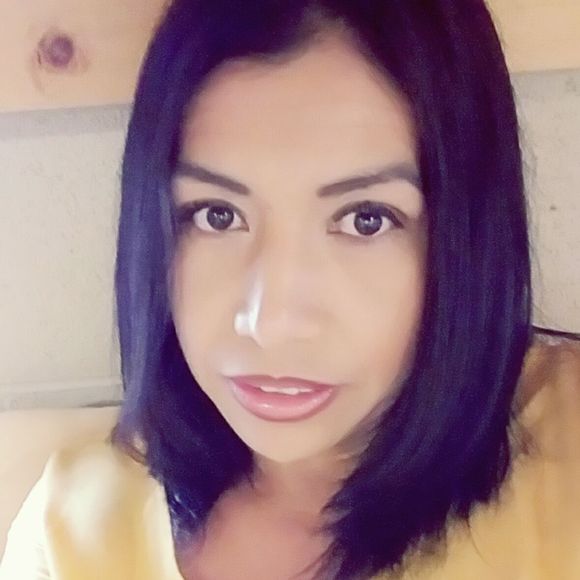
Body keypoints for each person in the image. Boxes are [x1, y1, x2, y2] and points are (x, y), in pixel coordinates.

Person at [2, 1, 580, 578]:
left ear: (466, 233)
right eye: (217, 215)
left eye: (366, 220)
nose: (271, 323)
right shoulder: (71, 535)